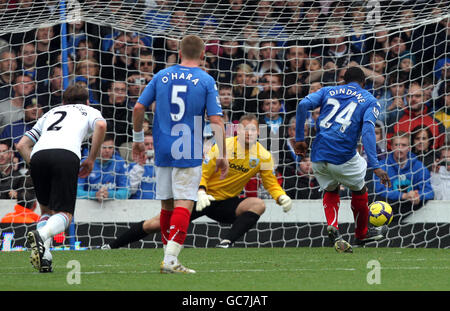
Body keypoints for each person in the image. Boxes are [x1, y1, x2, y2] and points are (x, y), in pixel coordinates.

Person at [103, 114, 292, 249]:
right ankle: (112, 246)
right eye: (244, 129)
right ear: (237, 131)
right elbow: (204, 172)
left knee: (258, 204)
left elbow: (270, 183)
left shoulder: (264, 156)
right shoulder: (223, 146)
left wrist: (281, 196)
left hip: (225, 203)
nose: (248, 133)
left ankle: (225, 244)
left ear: (259, 131)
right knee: (156, 224)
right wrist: (201, 191)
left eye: (252, 129)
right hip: (199, 197)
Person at [131, 34, 228, 274]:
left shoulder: (161, 75)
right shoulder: (205, 80)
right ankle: (172, 260)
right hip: (188, 145)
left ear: (180, 53)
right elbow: (215, 119)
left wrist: (138, 140)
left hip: (163, 145)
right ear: (203, 55)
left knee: (167, 204)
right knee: (185, 202)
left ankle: (168, 257)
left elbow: (138, 107)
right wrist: (223, 153)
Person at [295, 66, 391, 253]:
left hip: (318, 155)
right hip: (343, 155)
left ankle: (333, 225)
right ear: (364, 83)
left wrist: (300, 138)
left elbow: (302, 105)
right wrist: (376, 165)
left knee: (331, 189)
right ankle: (361, 234)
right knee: (359, 189)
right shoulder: (370, 100)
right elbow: (368, 130)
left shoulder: (327, 90)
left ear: (343, 81)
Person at [16, 84, 107, 273]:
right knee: (65, 214)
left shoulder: (51, 112)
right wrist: (91, 159)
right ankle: (42, 234)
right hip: (66, 155)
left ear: (64, 101)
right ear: (87, 101)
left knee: (47, 210)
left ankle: (45, 256)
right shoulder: (89, 110)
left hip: (38, 155)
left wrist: (35, 166)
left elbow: (22, 145)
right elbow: (101, 125)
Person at [374, 132, 434, 223]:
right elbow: (379, 191)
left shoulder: (419, 167)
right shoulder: (382, 167)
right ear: (392, 147)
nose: (400, 148)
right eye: (397, 145)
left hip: (411, 210)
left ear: (409, 148)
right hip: (389, 209)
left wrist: (418, 196)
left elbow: (429, 192)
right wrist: (404, 195)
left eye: (403, 145)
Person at [77, 134, 130, 201]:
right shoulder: (85, 163)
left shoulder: (120, 163)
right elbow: (76, 192)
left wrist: (109, 194)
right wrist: (95, 195)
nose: (107, 151)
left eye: (110, 148)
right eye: (104, 147)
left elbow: (126, 192)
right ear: (96, 148)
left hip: (114, 207)